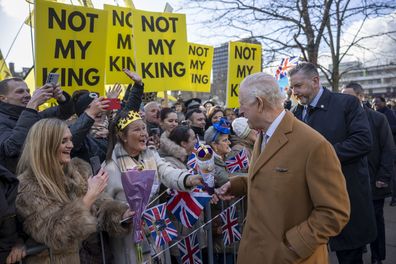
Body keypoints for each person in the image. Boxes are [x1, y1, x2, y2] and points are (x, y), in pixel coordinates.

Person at [217, 72, 350, 263]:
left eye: (242, 104)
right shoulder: (263, 135)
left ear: (260, 103)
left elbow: (334, 212)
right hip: (257, 252)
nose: (240, 111)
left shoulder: (314, 145)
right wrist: (240, 184)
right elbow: (277, 178)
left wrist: (292, 246)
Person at [289, 62, 376, 263]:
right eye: (292, 88)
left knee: (349, 256)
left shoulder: (347, 104)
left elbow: (363, 141)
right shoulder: (294, 113)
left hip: (346, 196)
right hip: (312, 205)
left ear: (315, 81)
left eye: (299, 86)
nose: (295, 92)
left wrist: (320, 156)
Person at [15, 118, 132, 264]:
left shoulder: (79, 169)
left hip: (93, 257)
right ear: (46, 145)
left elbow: (101, 206)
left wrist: (123, 214)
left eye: (70, 139)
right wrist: (88, 197)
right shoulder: (27, 186)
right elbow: (55, 233)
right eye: (63, 141)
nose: (70, 145)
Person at [104, 109, 202, 264]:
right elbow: (104, 204)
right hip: (127, 239)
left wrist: (188, 179)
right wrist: (122, 215)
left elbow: (166, 171)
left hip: (154, 229)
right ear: (123, 136)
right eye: (137, 130)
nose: (144, 133)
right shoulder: (110, 166)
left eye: (144, 128)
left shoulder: (151, 155)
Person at [342, 82, 395, 264]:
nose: (346, 100)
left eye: (350, 96)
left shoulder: (378, 119)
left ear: (361, 97)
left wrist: (383, 177)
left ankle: (377, 256)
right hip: (352, 182)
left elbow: (388, 150)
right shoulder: (343, 119)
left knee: (376, 220)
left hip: (374, 180)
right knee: (355, 220)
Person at [0, 77, 74, 173]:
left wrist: (62, 98)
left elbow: (65, 112)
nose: (27, 95)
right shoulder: (4, 119)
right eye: (20, 92)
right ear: (3, 98)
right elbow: (11, 149)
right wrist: (32, 106)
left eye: (28, 91)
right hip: (15, 183)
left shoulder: (33, 115)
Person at [373, 96, 396, 206]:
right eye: (373, 102)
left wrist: (383, 128)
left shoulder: (388, 113)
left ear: (383, 102)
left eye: (377, 102)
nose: (375, 104)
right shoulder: (375, 114)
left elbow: (393, 127)